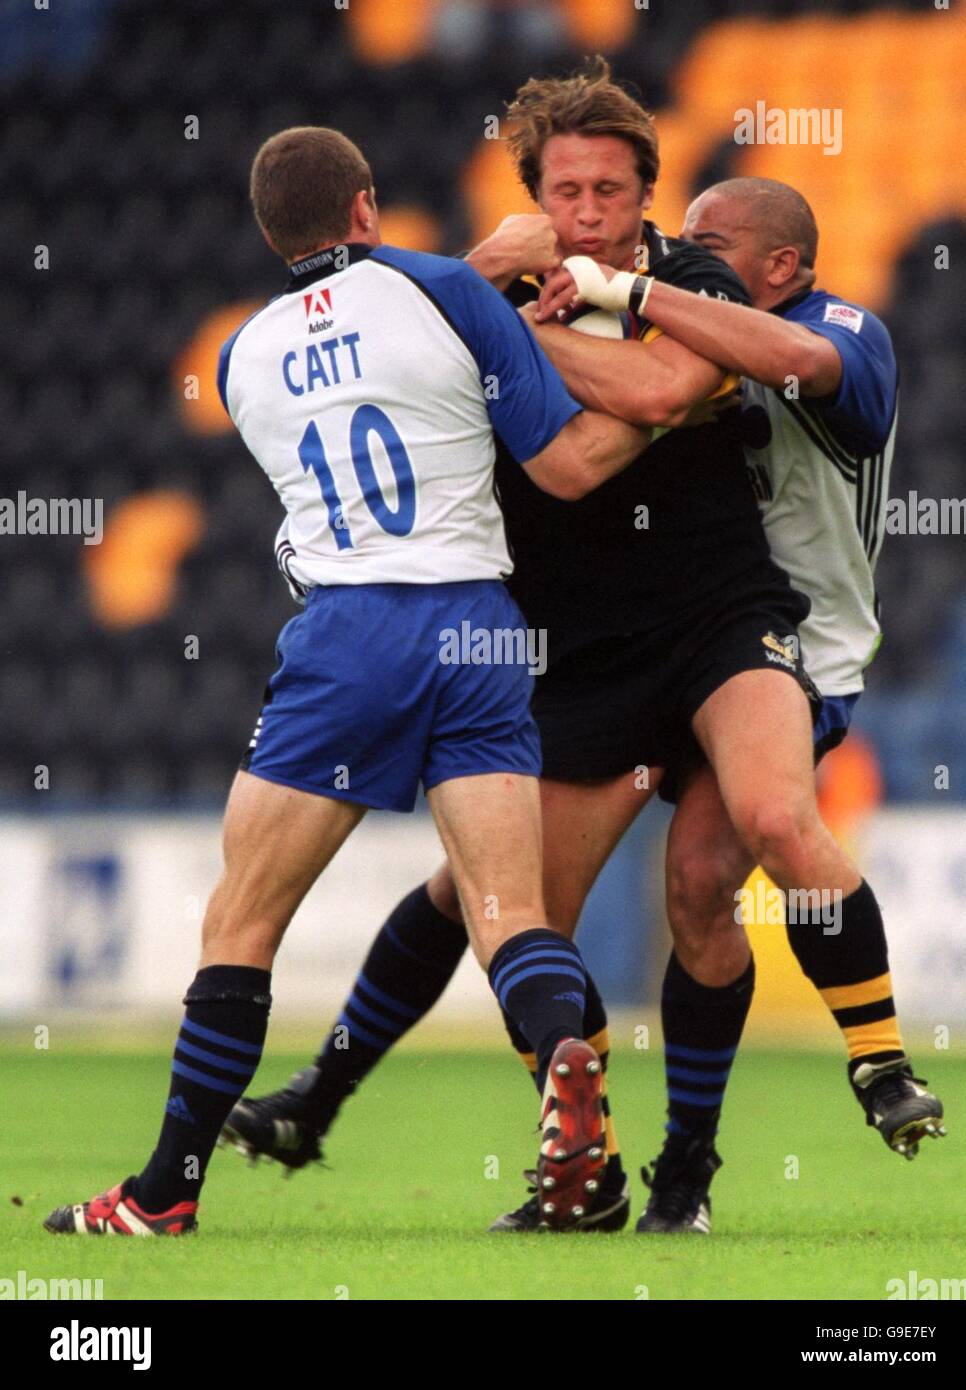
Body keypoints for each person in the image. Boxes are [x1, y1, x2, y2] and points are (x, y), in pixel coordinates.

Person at [221, 62, 824, 1237]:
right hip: (570, 647)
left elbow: (651, 396)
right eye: (566, 192)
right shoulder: (462, 294)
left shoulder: (689, 280)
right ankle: (482, 1142)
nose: (588, 211)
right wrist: (484, 292)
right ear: (530, 198)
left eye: (610, 189)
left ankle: (688, 1178)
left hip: (704, 627)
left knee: (708, 887)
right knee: (492, 904)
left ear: (648, 194)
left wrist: (501, 324)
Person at [43, 124, 655, 1237]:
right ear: (368, 207)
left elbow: (365, 340)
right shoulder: (445, 292)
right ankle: (578, 1100)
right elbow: (563, 463)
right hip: (478, 626)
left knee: (241, 921)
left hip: (350, 631)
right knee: (511, 915)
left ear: (270, 232)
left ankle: (163, 1192)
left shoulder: (240, 355)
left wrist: (462, 279)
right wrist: (674, 399)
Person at [532, 172, 945, 1228]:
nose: (686, 254)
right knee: (599, 898)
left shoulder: (835, 327)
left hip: (798, 645)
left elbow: (801, 366)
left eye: (710, 243)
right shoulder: (673, 350)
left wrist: (632, 295)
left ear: (782, 267)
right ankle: (648, 1168)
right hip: (666, 637)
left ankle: (863, 1070)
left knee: (721, 858)